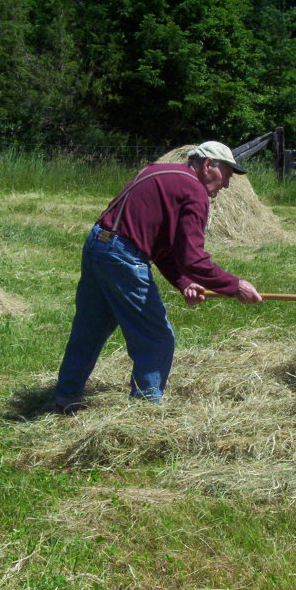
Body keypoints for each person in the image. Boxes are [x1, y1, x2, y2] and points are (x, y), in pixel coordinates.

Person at [52, 141, 263, 413]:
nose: (227, 185)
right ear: (209, 165)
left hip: (99, 245)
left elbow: (160, 246)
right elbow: (194, 259)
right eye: (228, 174)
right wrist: (235, 286)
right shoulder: (193, 191)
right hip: (121, 256)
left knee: (90, 330)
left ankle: (64, 398)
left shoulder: (160, 171)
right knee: (156, 338)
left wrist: (184, 282)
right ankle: (143, 412)